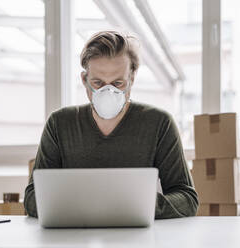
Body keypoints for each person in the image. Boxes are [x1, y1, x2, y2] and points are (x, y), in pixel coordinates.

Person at [24, 30, 198, 219]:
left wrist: (138, 206)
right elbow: (33, 197)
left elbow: (187, 199)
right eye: (98, 83)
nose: (108, 91)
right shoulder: (59, 124)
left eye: (118, 83)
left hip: (138, 238)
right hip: (76, 237)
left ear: (132, 79)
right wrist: (91, 207)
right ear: (84, 80)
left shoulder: (158, 123)